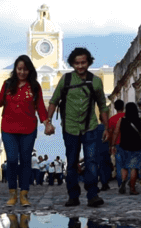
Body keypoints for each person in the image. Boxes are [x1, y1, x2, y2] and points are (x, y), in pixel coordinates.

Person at [45, 47, 109, 208]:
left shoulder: (96, 81)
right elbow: (53, 101)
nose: (80, 66)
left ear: (88, 62)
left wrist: (107, 127)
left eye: (83, 62)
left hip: (90, 127)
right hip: (70, 128)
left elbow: (103, 106)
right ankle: (73, 195)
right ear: (72, 64)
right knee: (72, 162)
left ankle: (93, 195)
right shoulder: (65, 80)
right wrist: (48, 121)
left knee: (92, 161)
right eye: (77, 63)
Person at [0, 55, 49, 207]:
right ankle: (12, 193)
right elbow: (0, 101)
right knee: (12, 160)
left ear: (29, 70)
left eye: (25, 69)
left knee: (26, 160)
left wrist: (47, 123)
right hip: (8, 128)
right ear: (15, 69)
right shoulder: (7, 84)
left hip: (28, 129)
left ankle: (24, 195)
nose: (22, 72)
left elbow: (40, 106)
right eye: (19, 69)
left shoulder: (34, 86)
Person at [110, 102, 141, 194]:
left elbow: (115, 132)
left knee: (124, 166)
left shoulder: (121, 120)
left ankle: (123, 182)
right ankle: (132, 188)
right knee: (134, 168)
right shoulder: (140, 121)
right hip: (136, 147)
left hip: (124, 146)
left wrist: (113, 145)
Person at [107, 99, 127, 191]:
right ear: (123, 106)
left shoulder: (111, 119)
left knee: (119, 164)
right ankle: (129, 182)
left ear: (114, 108)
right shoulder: (127, 116)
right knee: (129, 163)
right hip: (128, 143)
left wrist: (111, 145)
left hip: (117, 144)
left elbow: (111, 133)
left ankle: (120, 184)